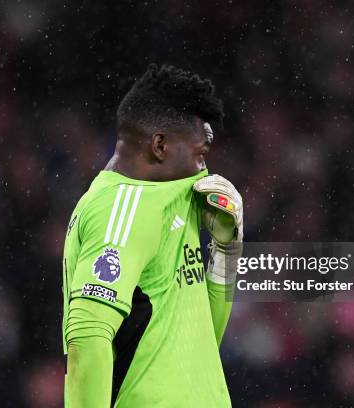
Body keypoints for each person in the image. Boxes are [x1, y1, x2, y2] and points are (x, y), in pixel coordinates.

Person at [62, 63, 243, 407]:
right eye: (199, 155)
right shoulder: (121, 209)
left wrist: (225, 251)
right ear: (159, 145)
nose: (204, 168)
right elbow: (87, 340)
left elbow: (203, 339)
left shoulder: (174, 198)